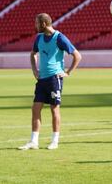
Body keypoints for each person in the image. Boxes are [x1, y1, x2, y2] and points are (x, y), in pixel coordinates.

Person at [18, 13, 82, 150]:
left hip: (54, 80)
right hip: (42, 80)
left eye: (36, 23)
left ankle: (55, 141)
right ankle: (33, 141)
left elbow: (77, 56)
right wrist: (35, 70)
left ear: (43, 24)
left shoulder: (59, 38)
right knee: (35, 109)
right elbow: (33, 54)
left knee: (54, 109)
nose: (35, 26)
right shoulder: (38, 38)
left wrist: (68, 72)